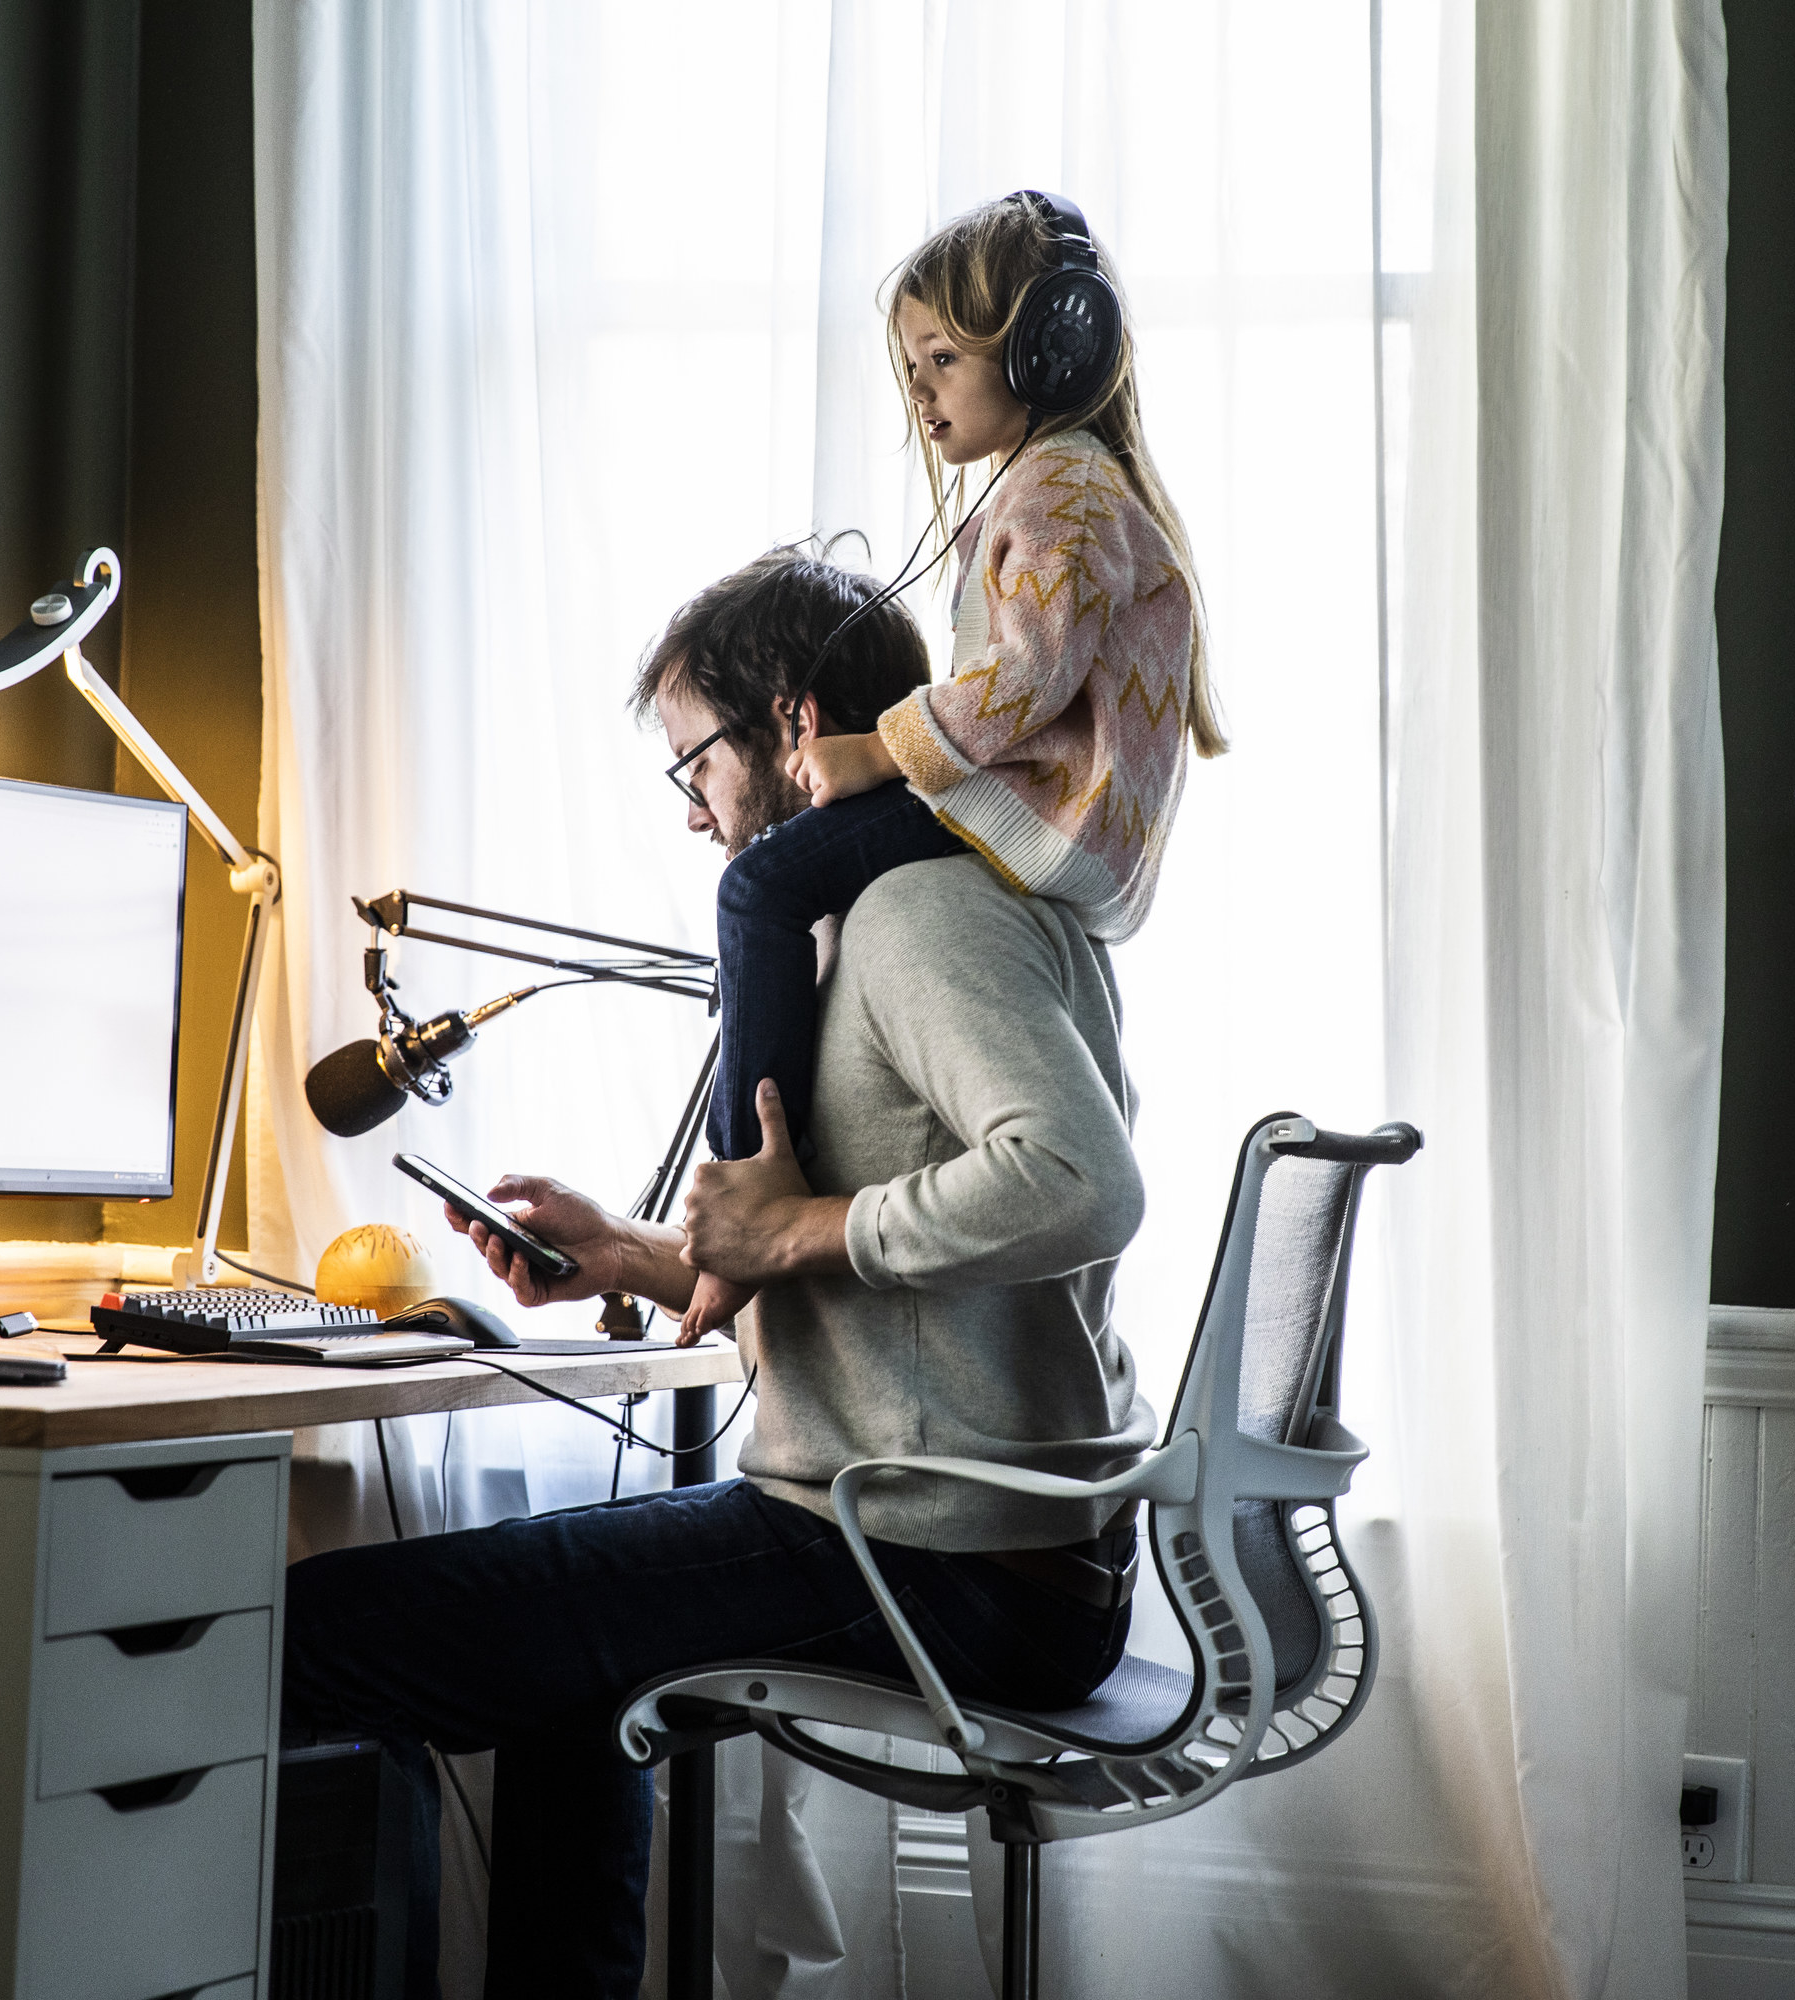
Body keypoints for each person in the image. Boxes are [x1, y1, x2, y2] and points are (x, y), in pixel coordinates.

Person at [280, 549, 1159, 2000]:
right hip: (952, 1542)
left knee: (316, 1640)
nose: (691, 809)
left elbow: (1082, 1184)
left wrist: (795, 1233)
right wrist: (631, 1254)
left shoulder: (918, 920)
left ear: (792, 722)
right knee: (571, 1670)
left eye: (695, 762)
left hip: (937, 1560)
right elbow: (910, 1244)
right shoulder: (935, 901)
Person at [682, 189, 1228, 1339]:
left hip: (1025, 813)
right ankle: (741, 1221)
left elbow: (1026, 675)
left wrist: (881, 747)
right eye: (912, 362)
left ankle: (746, 1195)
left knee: (760, 882)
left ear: (1049, 349)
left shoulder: (1062, 487)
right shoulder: (1061, 486)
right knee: (777, 884)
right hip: (1036, 816)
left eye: (942, 357)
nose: (919, 389)